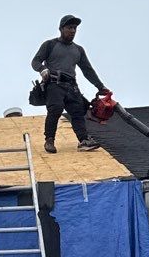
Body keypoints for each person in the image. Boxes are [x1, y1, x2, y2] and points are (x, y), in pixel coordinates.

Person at [31, 16, 104, 155]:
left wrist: (100, 86)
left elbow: (87, 70)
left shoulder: (78, 50)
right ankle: (49, 140)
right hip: (55, 84)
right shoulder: (50, 45)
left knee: (78, 112)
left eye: (75, 28)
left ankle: (84, 140)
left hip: (71, 86)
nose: (73, 31)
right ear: (61, 29)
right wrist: (42, 69)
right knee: (55, 109)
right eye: (69, 28)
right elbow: (35, 61)